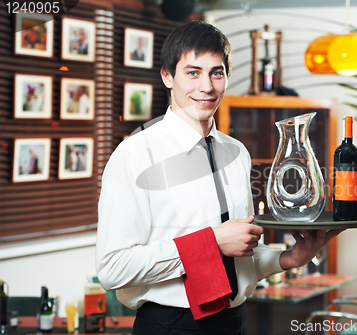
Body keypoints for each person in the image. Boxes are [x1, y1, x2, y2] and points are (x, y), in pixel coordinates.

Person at [95, 20, 342, 335]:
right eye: (193, 72)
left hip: (235, 322)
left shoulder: (236, 152)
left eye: (217, 73)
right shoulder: (135, 155)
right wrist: (210, 243)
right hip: (171, 327)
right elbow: (112, 269)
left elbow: (237, 257)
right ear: (167, 76)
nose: (206, 87)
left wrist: (288, 258)